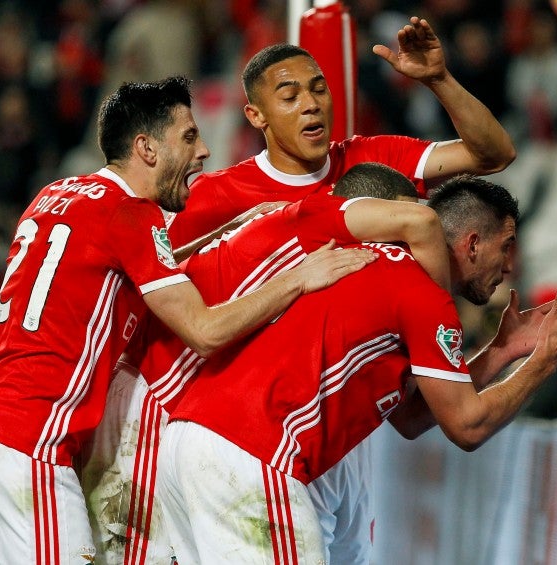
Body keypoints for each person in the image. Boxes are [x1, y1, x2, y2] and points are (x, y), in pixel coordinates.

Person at [0, 76, 375, 564]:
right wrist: (297, 277)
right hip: (28, 446)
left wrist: (231, 227)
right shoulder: (131, 213)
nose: (204, 150)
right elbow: (205, 331)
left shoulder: (58, 195)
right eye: (188, 137)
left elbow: (123, 265)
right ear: (145, 147)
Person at [156, 176, 557, 563]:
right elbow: (468, 425)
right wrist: (546, 360)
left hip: (193, 444)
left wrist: (501, 352)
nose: (511, 266)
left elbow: (412, 418)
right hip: (251, 453)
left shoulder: (386, 271)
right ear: (473, 243)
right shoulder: (422, 291)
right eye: (507, 246)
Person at [80, 162, 450, 565]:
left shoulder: (335, 270)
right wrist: (437, 315)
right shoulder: (317, 221)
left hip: (189, 416)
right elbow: (423, 218)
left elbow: (408, 418)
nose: (411, 252)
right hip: (158, 401)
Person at [165, 16, 517, 251]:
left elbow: (493, 154)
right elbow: (164, 284)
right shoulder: (213, 197)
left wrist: (439, 80)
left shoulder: (376, 158)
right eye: (290, 96)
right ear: (256, 116)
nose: (311, 104)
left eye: (319, 89)